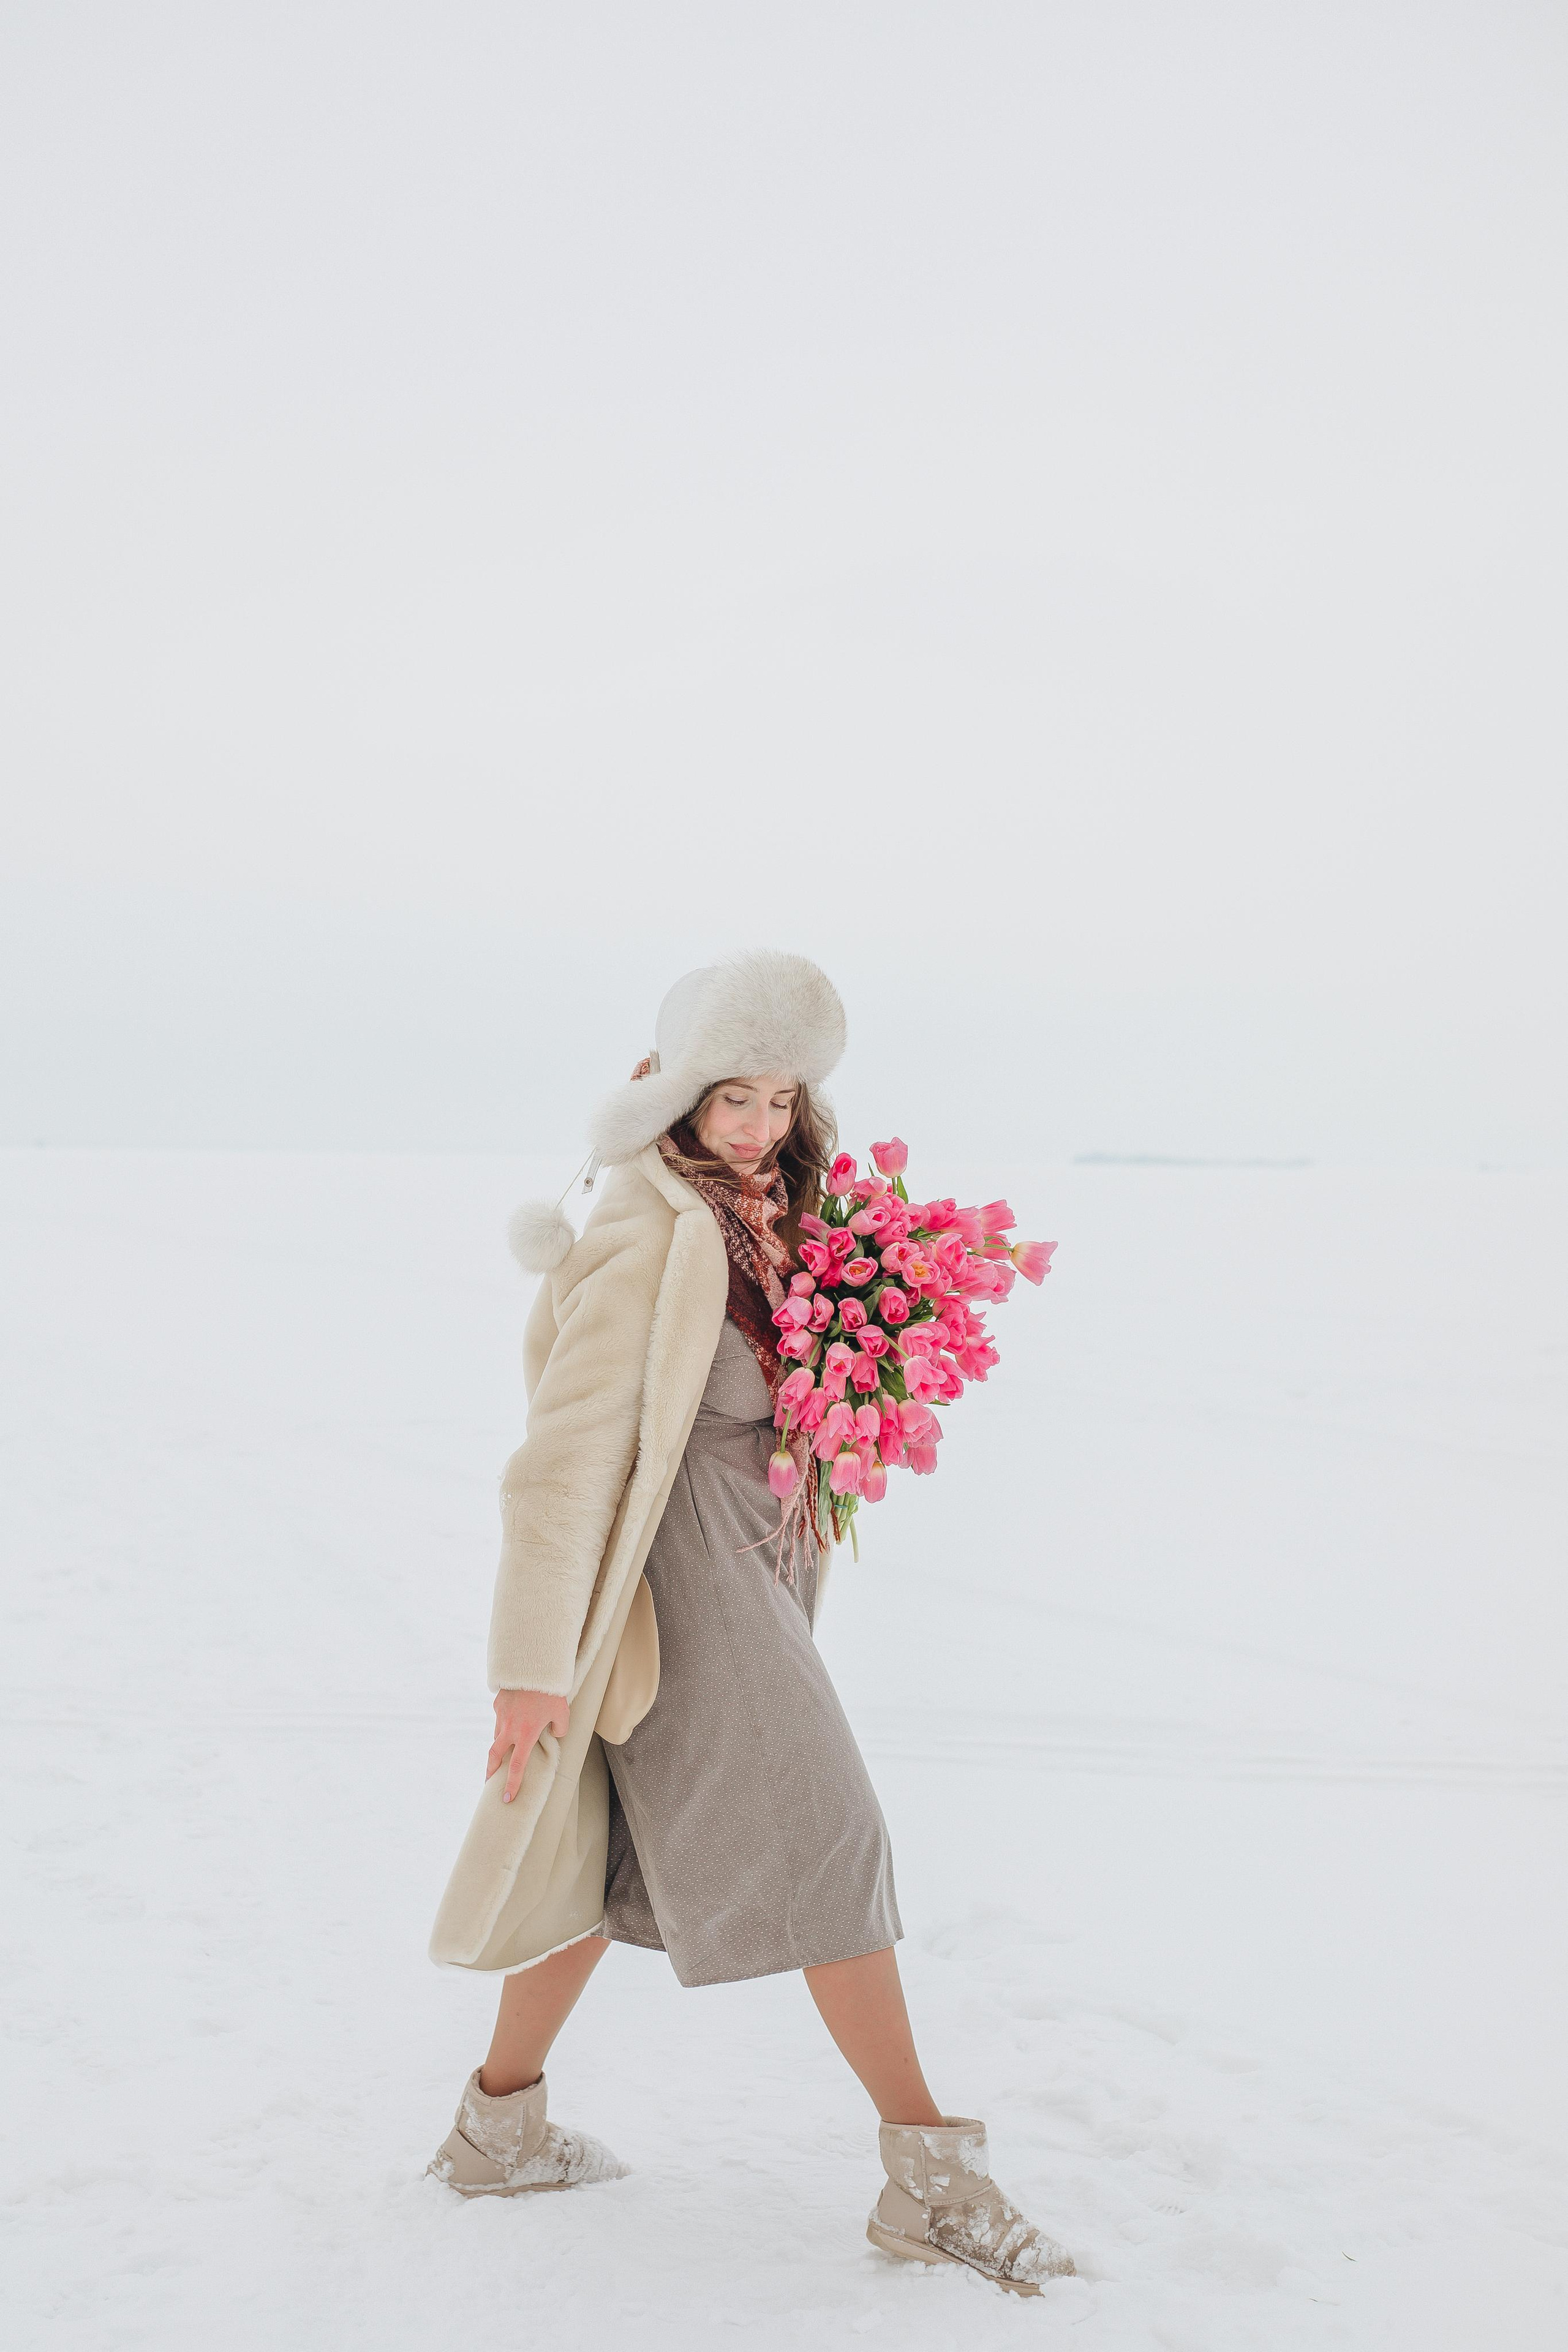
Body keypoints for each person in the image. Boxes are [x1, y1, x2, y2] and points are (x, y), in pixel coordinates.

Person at [425, 949, 1074, 2295]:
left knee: (619, 1869)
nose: (759, 1127)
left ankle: (496, 2132)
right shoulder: (646, 1231)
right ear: (672, 1090)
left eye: (780, 1099)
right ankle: (929, 2181)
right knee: (829, 1834)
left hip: (758, 1565)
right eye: (733, 1098)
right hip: (684, 1583)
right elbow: (560, 1463)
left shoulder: (786, 1213)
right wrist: (528, 1671)